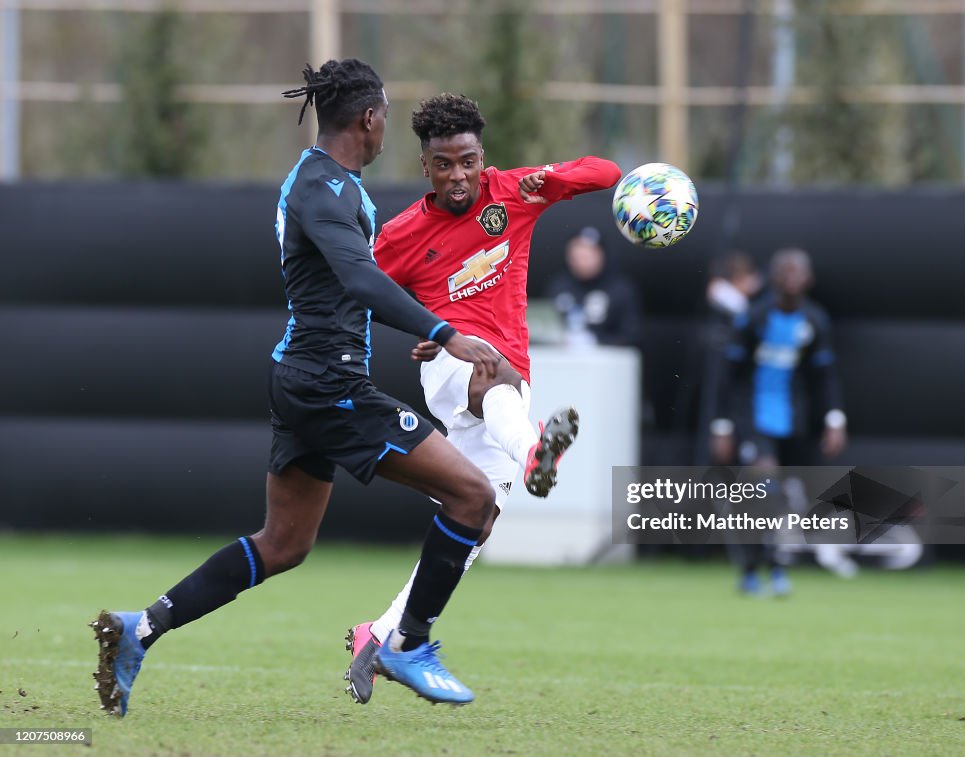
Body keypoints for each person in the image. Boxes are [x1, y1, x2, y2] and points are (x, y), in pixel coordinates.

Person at [90, 59, 511, 714]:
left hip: (305, 378)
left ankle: (138, 629)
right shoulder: (323, 188)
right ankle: (408, 642)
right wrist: (447, 330)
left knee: (283, 543)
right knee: (474, 497)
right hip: (327, 384)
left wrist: (425, 330)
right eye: (384, 121)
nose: (384, 133)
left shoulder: (328, 182)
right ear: (370, 119)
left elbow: (348, 287)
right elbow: (358, 280)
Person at [342, 93, 621, 704]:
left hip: (508, 377)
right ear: (426, 168)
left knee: (476, 517)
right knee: (493, 376)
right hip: (453, 363)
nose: (458, 176)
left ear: (481, 156)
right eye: (444, 165)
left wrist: (565, 181)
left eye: (467, 162)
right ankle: (534, 451)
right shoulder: (404, 234)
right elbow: (360, 293)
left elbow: (603, 173)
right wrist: (424, 329)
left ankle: (381, 633)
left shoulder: (514, 194)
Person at [709, 248, 847, 595]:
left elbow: (824, 375)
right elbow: (728, 374)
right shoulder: (754, 317)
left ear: (808, 279)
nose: (792, 278)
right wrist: (723, 425)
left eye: (798, 272)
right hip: (753, 416)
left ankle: (772, 564)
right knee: (764, 484)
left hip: (794, 419)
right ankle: (756, 567)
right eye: (785, 272)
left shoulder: (814, 320)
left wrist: (834, 418)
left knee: (784, 495)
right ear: (773, 278)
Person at [546, 226, 642, 347]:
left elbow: (632, 335)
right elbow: (544, 327)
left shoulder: (620, 288)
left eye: (588, 255)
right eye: (577, 255)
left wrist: (596, 341)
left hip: (607, 359)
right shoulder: (559, 286)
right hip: (562, 357)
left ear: (602, 255)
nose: (582, 261)